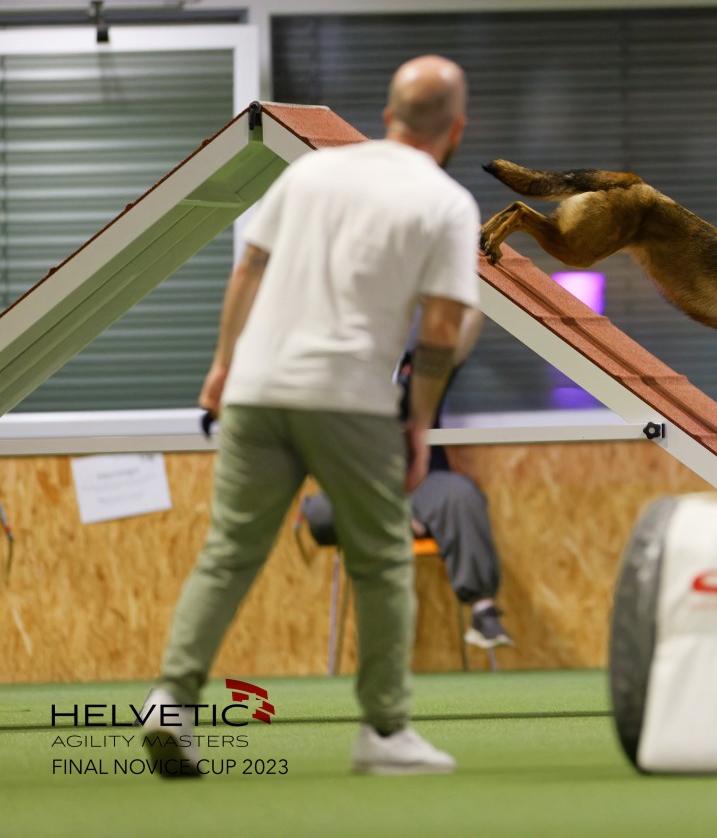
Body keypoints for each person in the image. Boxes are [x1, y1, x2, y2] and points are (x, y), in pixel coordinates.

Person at [139, 55, 481, 777]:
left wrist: (222, 366)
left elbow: (249, 269)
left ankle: (171, 700)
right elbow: (443, 328)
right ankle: (384, 732)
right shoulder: (447, 203)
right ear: (456, 129)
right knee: (381, 559)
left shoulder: (309, 173)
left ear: (387, 116)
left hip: (257, 388)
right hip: (347, 397)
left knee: (229, 552)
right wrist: (418, 422)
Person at [301, 304, 513, 650]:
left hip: (424, 483)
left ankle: (483, 613)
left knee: (461, 495)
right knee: (320, 512)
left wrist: (470, 278)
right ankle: (396, 519)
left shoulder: (423, 366)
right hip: (362, 491)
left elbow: (469, 318)